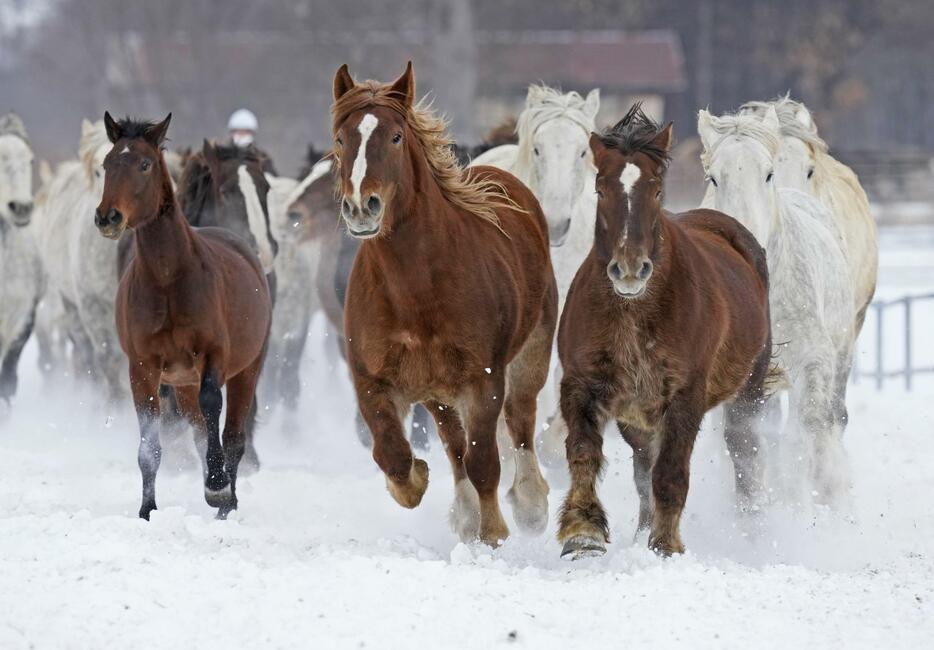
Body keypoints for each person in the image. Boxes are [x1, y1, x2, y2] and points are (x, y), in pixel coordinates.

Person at [226, 108, 277, 174]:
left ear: (252, 133)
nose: (241, 135)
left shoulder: (262, 157)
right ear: (232, 133)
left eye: (245, 132)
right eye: (238, 131)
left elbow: (272, 179)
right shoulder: (223, 156)